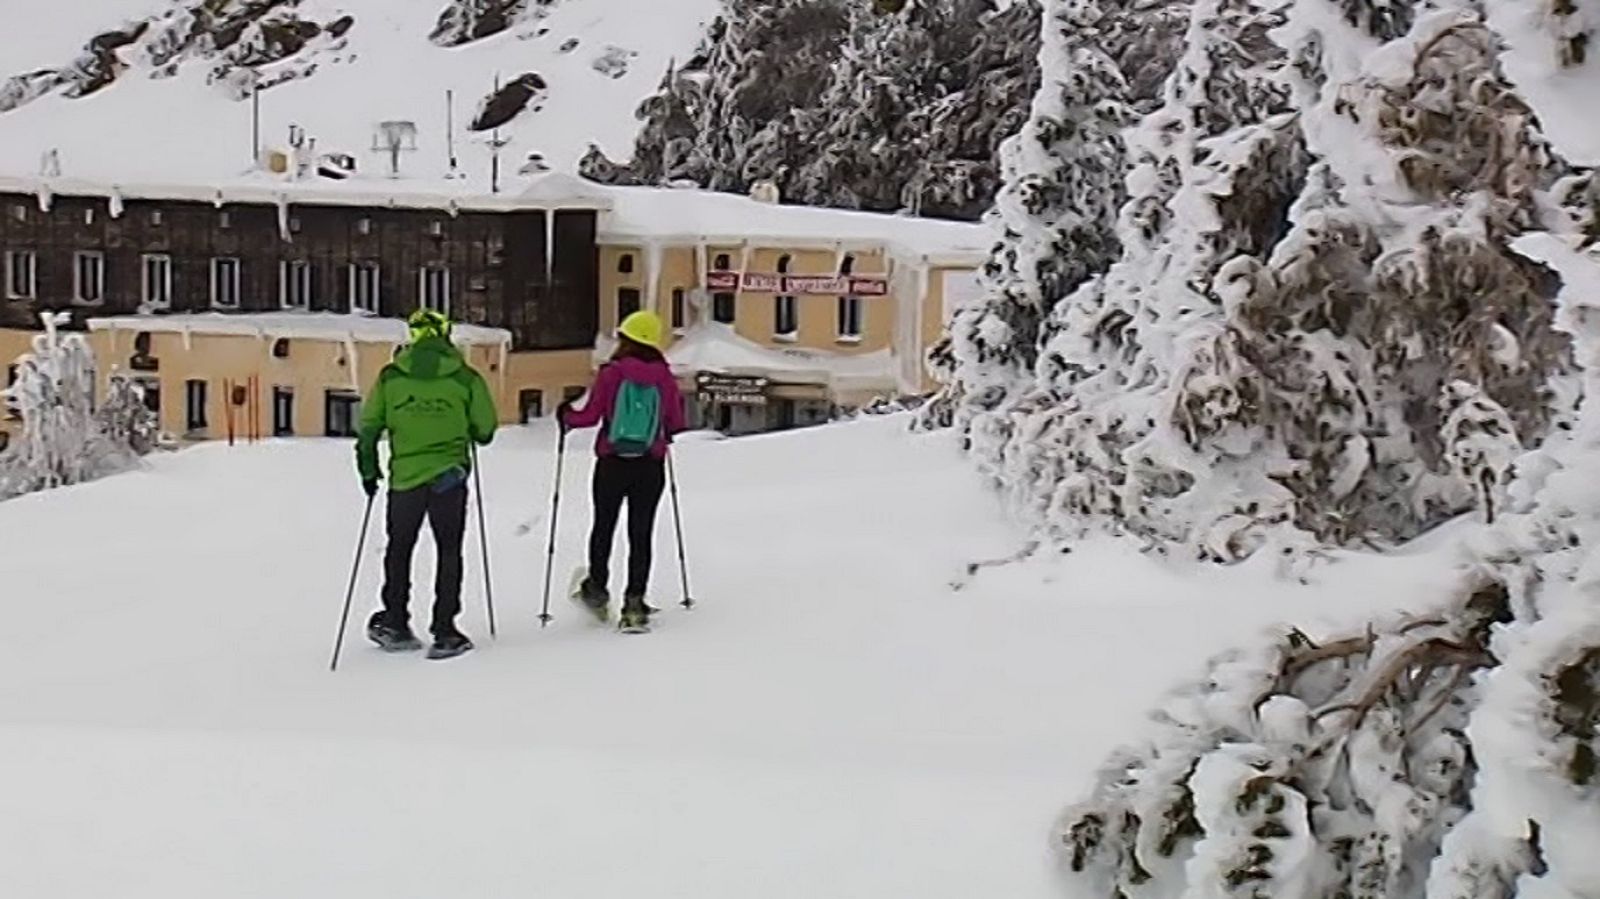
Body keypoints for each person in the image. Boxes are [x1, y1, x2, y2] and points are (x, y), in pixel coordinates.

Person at [356, 309, 498, 660]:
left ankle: (394, 621)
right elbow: (485, 431)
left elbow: (368, 429)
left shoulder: (391, 378)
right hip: (449, 477)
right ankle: (445, 630)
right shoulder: (465, 378)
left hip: (405, 478)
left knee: (399, 548)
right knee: (449, 551)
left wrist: (369, 472)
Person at [559, 310, 687, 631]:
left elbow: (589, 416)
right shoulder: (664, 376)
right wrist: (662, 435)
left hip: (612, 462)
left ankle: (597, 591)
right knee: (640, 533)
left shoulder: (611, 373)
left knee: (603, 526)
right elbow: (677, 421)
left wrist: (565, 416)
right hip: (650, 464)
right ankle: (634, 604)